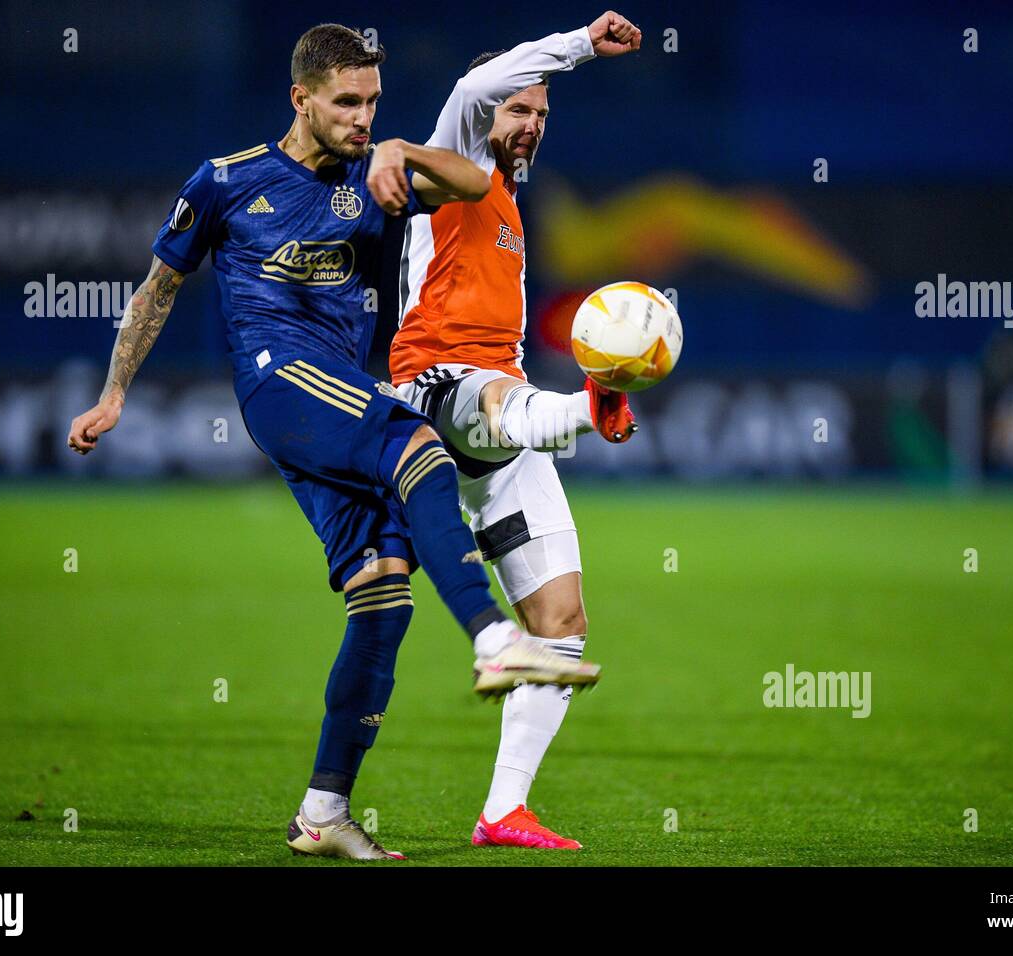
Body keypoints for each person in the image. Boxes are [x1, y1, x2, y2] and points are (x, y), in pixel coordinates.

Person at [65, 24, 599, 860]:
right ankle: (495, 641)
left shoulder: (371, 177)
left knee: (384, 594)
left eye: (373, 102)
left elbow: (473, 180)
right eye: (347, 102)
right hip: (280, 380)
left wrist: (397, 147)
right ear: (300, 99)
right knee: (420, 446)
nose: (361, 116)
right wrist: (112, 393)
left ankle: (323, 809)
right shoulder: (228, 182)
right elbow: (158, 287)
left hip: (349, 392)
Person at [391, 11, 640, 849]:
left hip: (502, 424)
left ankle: (502, 811)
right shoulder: (459, 166)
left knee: (563, 629)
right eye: (517, 109)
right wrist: (576, 47)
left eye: (540, 112)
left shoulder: (508, 208)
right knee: (504, 397)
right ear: (486, 112)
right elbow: (471, 88)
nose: (529, 123)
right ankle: (585, 408)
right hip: (436, 390)